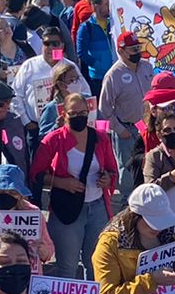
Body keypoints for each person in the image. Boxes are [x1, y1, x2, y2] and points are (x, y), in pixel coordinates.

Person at [29, 92, 117, 280]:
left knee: (95, 262)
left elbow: (112, 169)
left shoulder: (101, 138)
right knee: (67, 267)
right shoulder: (53, 140)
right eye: (74, 113)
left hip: (98, 208)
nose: (79, 117)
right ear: (64, 115)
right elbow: (36, 175)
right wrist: (63, 183)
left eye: (83, 112)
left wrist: (107, 179)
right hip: (66, 210)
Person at [91, 182, 175, 294]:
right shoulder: (110, 244)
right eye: (151, 221)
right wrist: (151, 281)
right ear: (134, 216)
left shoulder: (170, 237)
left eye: (160, 221)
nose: (157, 228)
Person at [98, 30, 155, 195]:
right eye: (133, 49)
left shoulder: (147, 67)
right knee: (128, 170)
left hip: (148, 126)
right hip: (127, 130)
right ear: (121, 51)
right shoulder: (113, 76)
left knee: (150, 164)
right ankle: (126, 204)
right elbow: (104, 108)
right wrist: (120, 129)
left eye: (138, 48)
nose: (137, 52)